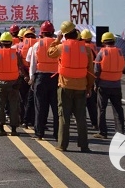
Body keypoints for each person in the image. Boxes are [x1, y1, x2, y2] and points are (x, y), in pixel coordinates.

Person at [50, 20, 94, 153]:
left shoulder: (61, 47)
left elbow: (50, 53)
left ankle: (62, 145)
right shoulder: (86, 49)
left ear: (64, 35)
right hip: (81, 86)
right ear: (76, 33)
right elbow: (90, 71)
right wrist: (89, 87)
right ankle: (84, 145)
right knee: (81, 117)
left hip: (65, 85)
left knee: (64, 116)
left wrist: (57, 40)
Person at [27, 21, 59, 141]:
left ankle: (39, 133)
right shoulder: (58, 44)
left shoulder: (36, 45)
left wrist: (32, 78)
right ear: (52, 32)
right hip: (55, 78)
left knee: (40, 107)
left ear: (42, 33)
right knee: (56, 108)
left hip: (40, 78)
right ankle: (57, 134)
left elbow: (32, 64)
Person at [0, 32, 27, 136]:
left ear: (1, 42)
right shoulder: (15, 54)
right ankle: (14, 130)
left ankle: (1, 128)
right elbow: (20, 68)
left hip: (0, 84)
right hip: (13, 84)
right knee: (14, 106)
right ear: (11, 43)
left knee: (0, 106)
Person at [93, 32, 125, 139]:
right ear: (113, 41)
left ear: (103, 41)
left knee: (101, 109)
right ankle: (120, 132)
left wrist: (95, 83)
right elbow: (124, 67)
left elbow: (96, 70)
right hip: (116, 84)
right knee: (118, 109)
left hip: (103, 85)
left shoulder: (101, 53)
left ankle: (103, 132)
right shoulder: (120, 52)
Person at [19, 28, 37, 128]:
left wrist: (25, 75)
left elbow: (19, 63)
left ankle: (24, 120)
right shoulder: (38, 45)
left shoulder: (19, 46)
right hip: (33, 75)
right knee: (32, 100)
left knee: (24, 99)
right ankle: (30, 120)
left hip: (25, 76)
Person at [80, 29, 99, 130]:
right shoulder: (94, 47)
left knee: (80, 102)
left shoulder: (83, 48)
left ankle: (81, 121)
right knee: (91, 102)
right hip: (92, 74)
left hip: (83, 74)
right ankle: (95, 123)